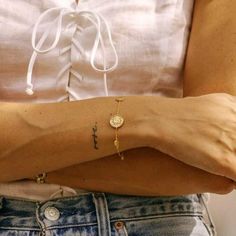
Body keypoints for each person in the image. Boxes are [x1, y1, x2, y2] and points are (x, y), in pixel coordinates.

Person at [0, 0, 235, 235]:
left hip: (159, 220)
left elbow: (218, 158)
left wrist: (19, 158)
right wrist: (153, 118)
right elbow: (202, 132)